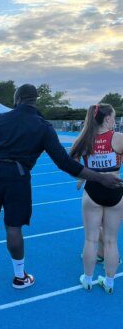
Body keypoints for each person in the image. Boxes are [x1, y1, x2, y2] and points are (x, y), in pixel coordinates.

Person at [0, 84, 122, 289]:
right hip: (18, 176)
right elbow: (64, 163)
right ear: (35, 100)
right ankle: (19, 276)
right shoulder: (42, 126)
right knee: (13, 226)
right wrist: (101, 178)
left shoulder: (1, 119)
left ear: (17, 99)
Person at [70, 104, 123, 294]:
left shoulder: (84, 139)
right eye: (114, 117)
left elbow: (72, 163)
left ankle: (88, 279)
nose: (114, 121)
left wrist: (83, 177)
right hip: (115, 191)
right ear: (107, 118)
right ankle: (109, 282)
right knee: (111, 241)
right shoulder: (118, 138)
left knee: (91, 239)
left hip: (92, 191)